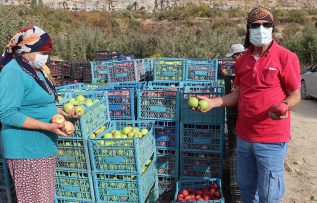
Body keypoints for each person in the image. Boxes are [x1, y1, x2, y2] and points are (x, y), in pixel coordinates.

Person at [196, 7, 301, 203]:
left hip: (271, 139)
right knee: (246, 190)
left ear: (272, 27)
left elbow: (295, 95)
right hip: (244, 137)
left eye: (266, 25)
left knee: (269, 195)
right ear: (248, 29)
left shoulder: (286, 57)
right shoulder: (242, 61)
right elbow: (237, 95)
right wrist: (212, 102)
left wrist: (285, 106)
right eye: (255, 25)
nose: (261, 28)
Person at [0, 26, 79, 203]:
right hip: (27, 150)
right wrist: (47, 126)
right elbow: (6, 114)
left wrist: (63, 112)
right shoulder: (13, 72)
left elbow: (39, 103)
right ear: (27, 49)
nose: (46, 56)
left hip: (43, 147)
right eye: (43, 51)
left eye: (48, 52)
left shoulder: (35, 70)